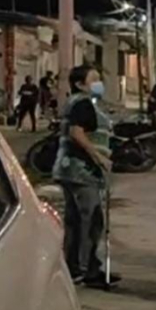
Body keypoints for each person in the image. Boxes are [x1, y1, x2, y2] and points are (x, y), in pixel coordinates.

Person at [51, 65, 117, 286]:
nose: (99, 83)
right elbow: (76, 132)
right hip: (82, 170)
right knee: (91, 220)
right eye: (94, 79)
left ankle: (75, 267)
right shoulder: (82, 103)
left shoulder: (77, 102)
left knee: (76, 220)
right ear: (80, 84)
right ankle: (86, 269)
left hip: (70, 169)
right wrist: (99, 157)